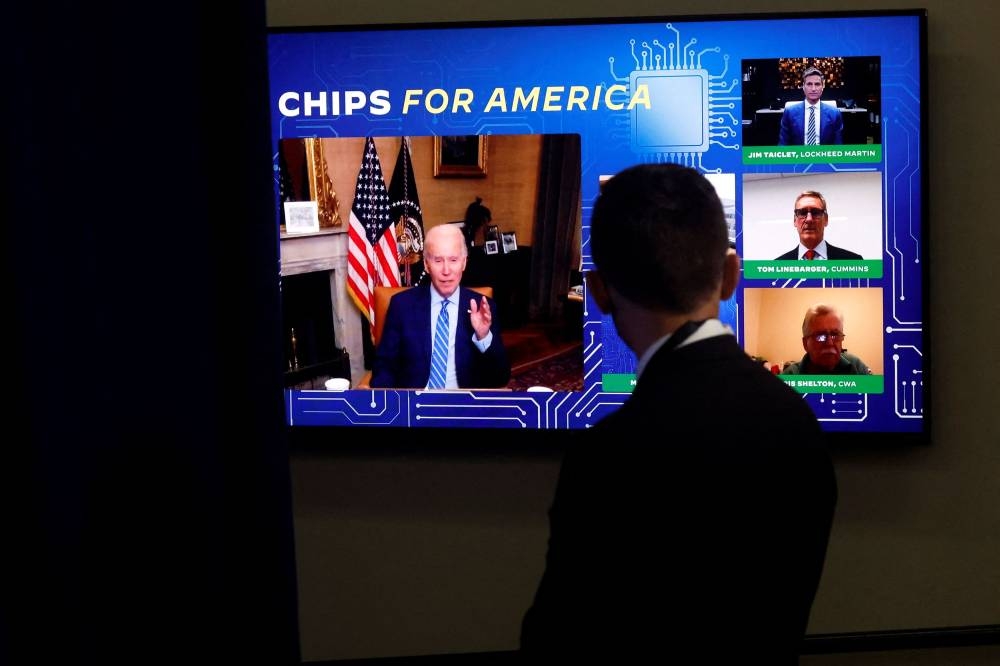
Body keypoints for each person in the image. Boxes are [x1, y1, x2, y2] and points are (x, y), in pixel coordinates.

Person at [520, 164, 837, 661]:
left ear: (599, 291)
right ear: (731, 274)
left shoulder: (607, 455)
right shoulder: (799, 423)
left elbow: (555, 647)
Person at [370, 223, 510, 389]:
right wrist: (390, 406)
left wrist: (483, 336)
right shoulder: (401, 306)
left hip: (463, 405)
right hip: (415, 405)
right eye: (438, 260)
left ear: (464, 263)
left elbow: (501, 378)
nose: (446, 270)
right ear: (426, 264)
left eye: (453, 260)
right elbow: (384, 367)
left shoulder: (483, 308)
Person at [784, 304, 872, 375]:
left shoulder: (856, 366)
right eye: (820, 336)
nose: (829, 343)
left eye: (835, 334)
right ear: (805, 343)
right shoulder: (790, 376)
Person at [775, 190, 863, 260]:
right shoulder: (776, 268)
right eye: (802, 213)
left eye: (816, 212)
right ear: (795, 220)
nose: (809, 219)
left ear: (826, 219)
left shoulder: (853, 261)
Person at [778, 66, 844, 146]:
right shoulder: (789, 112)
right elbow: (783, 145)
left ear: (822, 87)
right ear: (803, 87)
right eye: (809, 84)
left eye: (817, 84)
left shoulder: (835, 113)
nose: (813, 89)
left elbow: (838, 146)